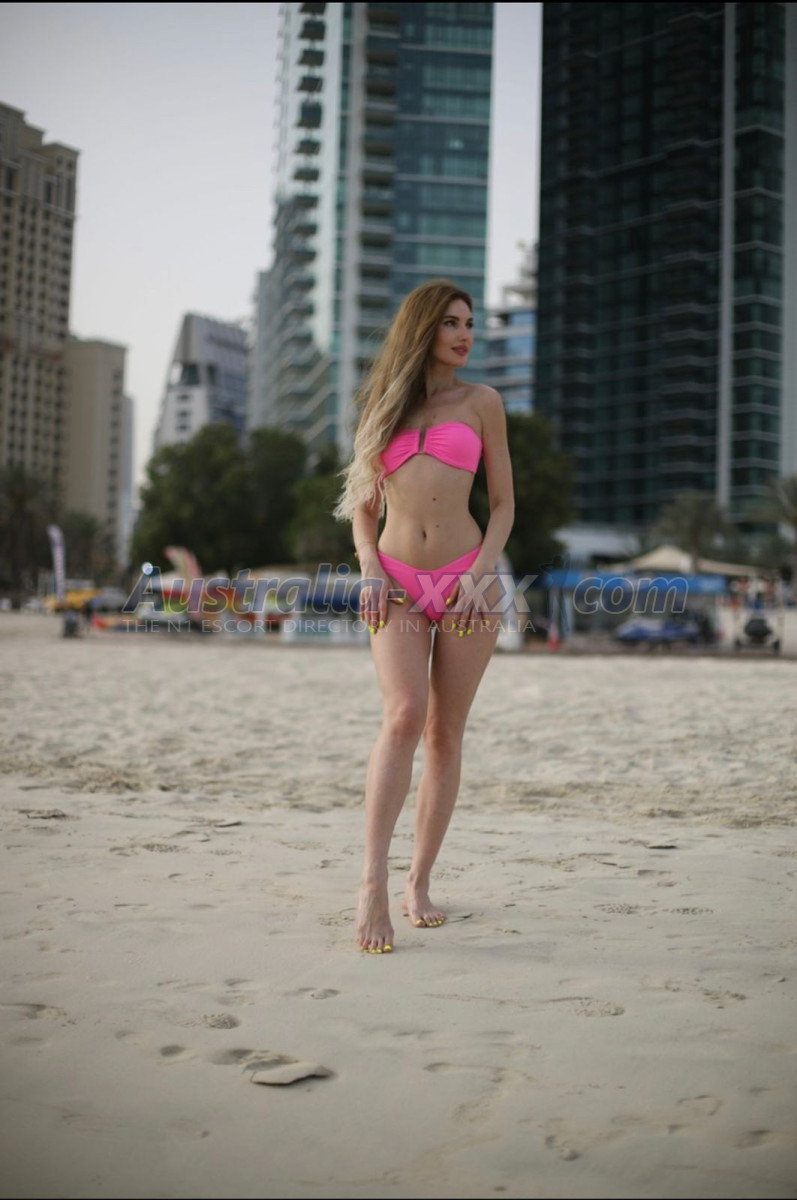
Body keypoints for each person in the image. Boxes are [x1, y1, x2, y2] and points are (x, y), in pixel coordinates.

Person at [333, 279, 515, 955]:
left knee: (444, 733)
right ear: (422, 328)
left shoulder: (482, 402)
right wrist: (368, 566)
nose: (465, 335)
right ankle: (372, 882)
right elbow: (362, 505)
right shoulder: (382, 406)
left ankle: (418, 882)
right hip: (396, 581)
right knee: (403, 715)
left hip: (468, 581)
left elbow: (503, 505)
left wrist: (479, 573)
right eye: (451, 323)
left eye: (469, 323)